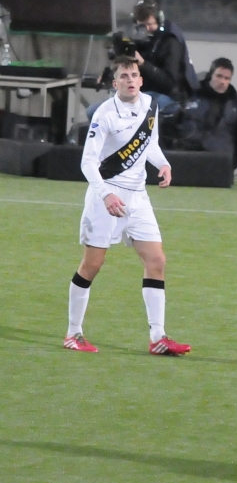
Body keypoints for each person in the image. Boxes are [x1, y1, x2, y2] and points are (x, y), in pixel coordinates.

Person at [63, 56, 191, 356]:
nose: (130, 80)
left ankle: (158, 337)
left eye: (134, 75)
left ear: (141, 80)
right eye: (124, 76)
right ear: (115, 82)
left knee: (156, 260)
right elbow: (88, 162)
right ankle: (73, 333)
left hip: (137, 197)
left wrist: (163, 163)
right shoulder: (104, 114)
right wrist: (106, 195)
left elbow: (151, 145)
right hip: (106, 197)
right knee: (92, 265)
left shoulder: (150, 106)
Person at [179, 58, 237, 169]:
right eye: (219, 76)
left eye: (227, 78)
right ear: (211, 75)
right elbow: (171, 125)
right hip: (184, 159)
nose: (223, 82)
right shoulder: (188, 97)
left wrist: (233, 162)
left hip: (221, 164)